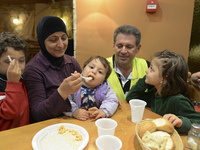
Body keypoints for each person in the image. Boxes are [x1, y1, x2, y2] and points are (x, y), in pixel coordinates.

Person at [23, 16, 82, 123]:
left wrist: (107, 95)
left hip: (75, 122)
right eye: (53, 40)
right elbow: (37, 113)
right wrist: (62, 92)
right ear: (42, 41)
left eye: (64, 38)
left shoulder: (71, 63)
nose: (60, 44)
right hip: (48, 128)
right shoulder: (33, 70)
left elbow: (88, 90)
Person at [126, 49, 200, 135]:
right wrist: (147, 81)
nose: (146, 70)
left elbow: (197, 122)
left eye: (151, 69)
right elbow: (132, 97)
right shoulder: (156, 94)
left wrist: (182, 122)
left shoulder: (178, 101)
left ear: (165, 78)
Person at [64, 56, 118, 120]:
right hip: (76, 119)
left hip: (94, 119)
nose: (94, 71)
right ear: (83, 70)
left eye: (100, 72)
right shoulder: (73, 83)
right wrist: (74, 111)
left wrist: (104, 111)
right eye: (91, 67)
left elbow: (112, 101)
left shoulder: (105, 88)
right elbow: (64, 99)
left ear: (103, 81)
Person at [107, 25, 150, 102]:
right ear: (113, 46)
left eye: (129, 47)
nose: (123, 51)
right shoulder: (101, 67)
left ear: (138, 48)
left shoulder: (148, 67)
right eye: (119, 46)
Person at [0, 32, 29, 131]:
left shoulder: (23, 80)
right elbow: (10, 113)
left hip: (23, 134)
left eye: (21, 61)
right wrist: (13, 83)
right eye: (9, 62)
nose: (17, 66)